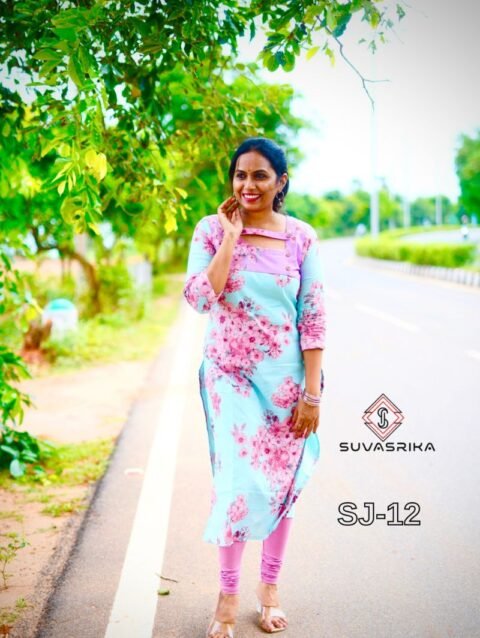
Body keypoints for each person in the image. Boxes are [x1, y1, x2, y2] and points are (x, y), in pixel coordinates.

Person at [183, 137, 326, 637]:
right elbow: (200, 299)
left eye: (260, 175)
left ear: (280, 182)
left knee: (280, 486)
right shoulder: (210, 230)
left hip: (286, 383)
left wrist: (312, 394)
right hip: (230, 376)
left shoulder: (302, 237)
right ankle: (227, 594)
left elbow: (313, 316)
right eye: (240, 174)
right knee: (239, 483)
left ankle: (269, 589)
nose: (248, 184)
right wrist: (230, 238)